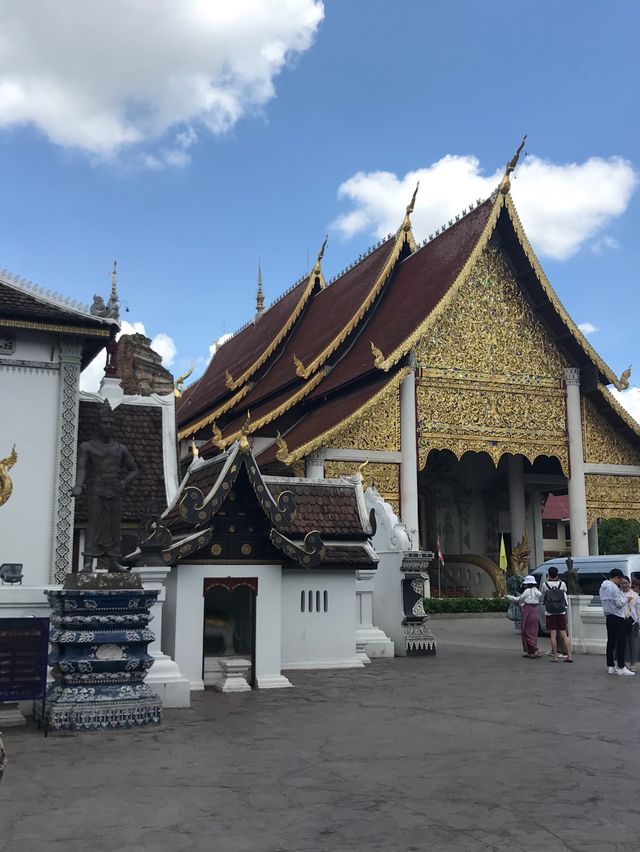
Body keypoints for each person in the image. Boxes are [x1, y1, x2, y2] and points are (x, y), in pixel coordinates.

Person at [71, 400, 138, 572]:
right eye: (104, 423)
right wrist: (79, 486)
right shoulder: (87, 447)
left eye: (111, 423)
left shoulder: (120, 449)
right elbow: (82, 467)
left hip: (115, 490)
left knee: (114, 527)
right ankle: (88, 562)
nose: (108, 426)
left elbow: (133, 470)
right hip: (96, 490)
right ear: (98, 425)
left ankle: (113, 561)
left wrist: (124, 482)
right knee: (94, 525)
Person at [599, 569, 635, 676]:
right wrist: (626, 599)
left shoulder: (602, 587)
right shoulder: (614, 588)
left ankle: (611, 666)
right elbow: (619, 603)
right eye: (620, 580)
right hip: (618, 617)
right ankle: (621, 667)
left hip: (608, 616)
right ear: (617, 577)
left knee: (611, 641)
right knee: (621, 642)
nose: (620, 582)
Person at [541, 566, 573, 663]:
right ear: (557, 574)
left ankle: (555, 656)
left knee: (553, 634)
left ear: (548, 574)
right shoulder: (562, 584)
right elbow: (565, 592)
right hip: (561, 611)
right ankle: (569, 655)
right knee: (564, 634)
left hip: (550, 612)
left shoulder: (545, 584)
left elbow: (543, 594)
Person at [507, 574, 542, 658]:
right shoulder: (537, 591)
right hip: (535, 612)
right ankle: (531, 651)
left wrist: (509, 597)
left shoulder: (527, 591)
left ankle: (535, 649)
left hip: (528, 611)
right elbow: (540, 595)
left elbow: (518, 599)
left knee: (526, 631)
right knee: (533, 631)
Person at [621, 576, 639, 671]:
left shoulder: (635, 595)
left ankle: (632, 664)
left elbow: (638, 609)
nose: (624, 585)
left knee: (633, 643)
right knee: (622, 643)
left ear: (629, 583)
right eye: (622, 583)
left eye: (626, 583)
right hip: (621, 620)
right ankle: (622, 663)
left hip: (633, 620)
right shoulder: (618, 594)